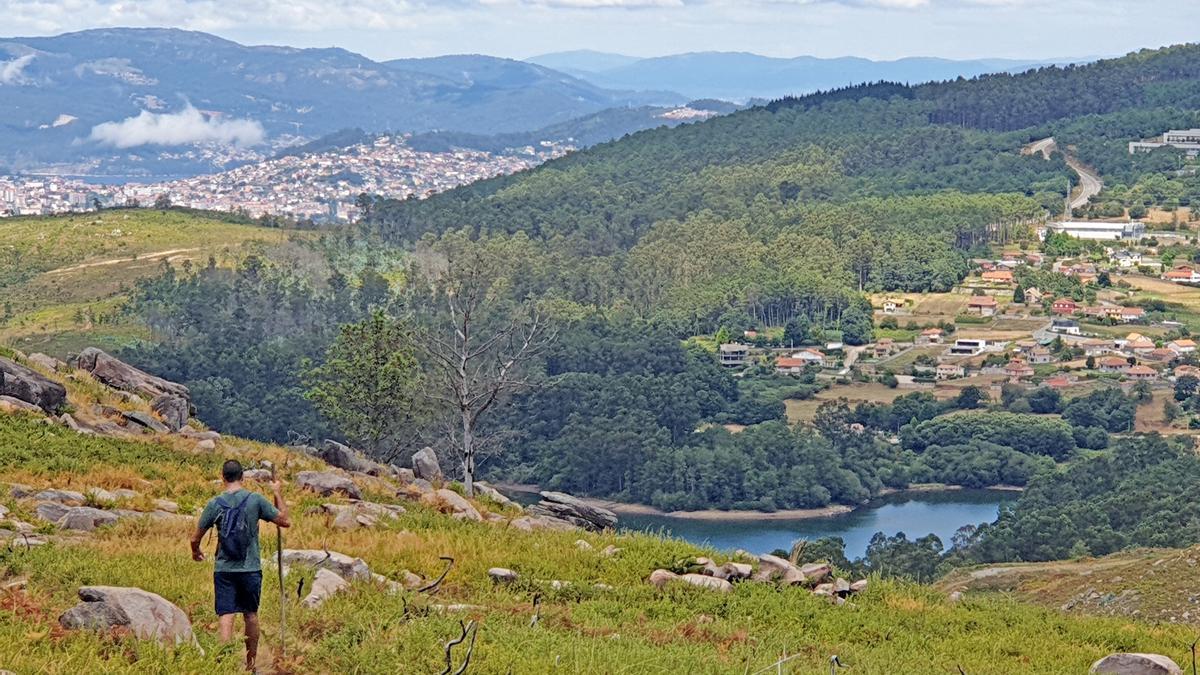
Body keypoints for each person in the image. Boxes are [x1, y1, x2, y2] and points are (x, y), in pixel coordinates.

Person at [191, 459, 291, 672]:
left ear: (222, 477)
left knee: (226, 616)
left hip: (224, 569)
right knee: (250, 614)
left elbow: (195, 538)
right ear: (242, 477)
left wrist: (196, 551)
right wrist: (277, 492)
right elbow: (284, 520)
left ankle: (225, 665)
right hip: (250, 568)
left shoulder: (215, 504)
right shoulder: (255, 500)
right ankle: (251, 665)